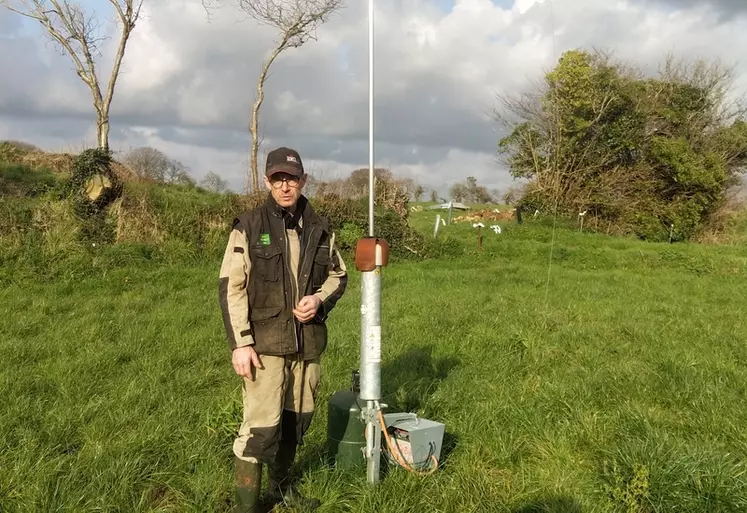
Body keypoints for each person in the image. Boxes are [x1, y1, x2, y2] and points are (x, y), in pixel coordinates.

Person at [218, 147, 348, 512]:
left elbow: (339, 275)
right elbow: (231, 287)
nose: (285, 185)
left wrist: (319, 300)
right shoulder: (249, 226)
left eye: (291, 178)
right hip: (265, 346)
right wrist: (241, 344)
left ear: (303, 180)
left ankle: (281, 490)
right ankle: (246, 505)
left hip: (307, 346)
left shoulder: (321, 228)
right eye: (278, 179)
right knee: (261, 430)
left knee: (295, 425)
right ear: (267, 182)